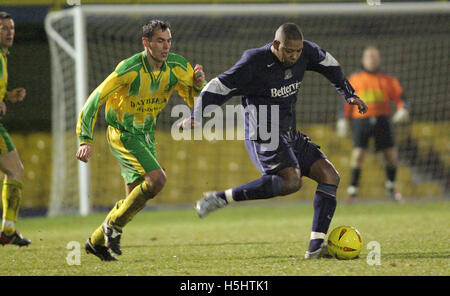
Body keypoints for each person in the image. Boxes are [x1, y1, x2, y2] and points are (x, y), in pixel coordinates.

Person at [181, 23, 367, 259]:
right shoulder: (254, 62)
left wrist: (349, 93)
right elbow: (218, 86)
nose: (295, 55)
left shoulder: (305, 52)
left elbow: (329, 64)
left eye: (298, 51)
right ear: (276, 44)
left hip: (289, 133)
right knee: (291, 181)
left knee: (330, 176)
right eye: (290, 51)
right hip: (263, 134)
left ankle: (315, 248)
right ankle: (220, 198)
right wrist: (196, 116)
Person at [76, 20, 206, 261]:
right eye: (160, 41)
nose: (166, 46)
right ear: (146, 43)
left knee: (135, 199)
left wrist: (199, 86)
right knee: (157, 180)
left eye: (168, 41)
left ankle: (96, 242)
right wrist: (85, 139)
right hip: (123, 133)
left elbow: (195, 99)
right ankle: (112, 226)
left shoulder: (177, 66)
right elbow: (95, 99)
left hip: (146, 134)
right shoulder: (130, 69)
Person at [336, 46, 408, 202]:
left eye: (374, 56)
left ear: (379, 59)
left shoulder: (387, 79)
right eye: (369, 56)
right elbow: (347, 100)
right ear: (363, 60)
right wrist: (343, 118)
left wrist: (403, 109)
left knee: (390, 155)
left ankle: (392, 188)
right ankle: (352, 191)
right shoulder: (355, 78)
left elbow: (400, 97)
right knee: (358, 154)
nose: (372, 59)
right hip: (361, 120)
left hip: (383, 119)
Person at [0, 12, 30, 247]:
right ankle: (7, 229)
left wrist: (7, 97)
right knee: (15, 170)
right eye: (3, 28)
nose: (9, 32)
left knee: (15, 170)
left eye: (11, 27)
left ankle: (8, 230)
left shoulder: (3, 56)